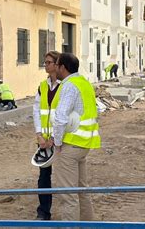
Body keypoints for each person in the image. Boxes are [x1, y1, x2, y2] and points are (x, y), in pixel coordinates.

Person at [51, 53, 101, 222]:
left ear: (63, 67)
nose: (54, 68)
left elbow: (61, 117)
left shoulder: (69, 86)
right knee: (82, 190)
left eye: (56, 65)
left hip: (70, 145)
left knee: (68, 195)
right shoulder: (84, 83)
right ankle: (88, 224)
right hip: (84, 144)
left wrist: (57, 143)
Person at [32, 51, 61, 220]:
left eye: (49, 62)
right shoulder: (42, 86)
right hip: (44, 142)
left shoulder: (65, 86)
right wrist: (39, 135)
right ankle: (43, 211)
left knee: (65, 178)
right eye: (45, 62)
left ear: (57, 65)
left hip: (61, 141)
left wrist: (55, 138)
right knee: (43, 177)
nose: (46, 65)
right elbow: (36, 110)